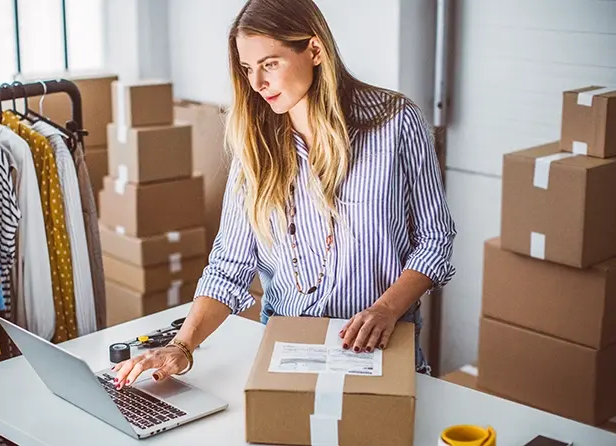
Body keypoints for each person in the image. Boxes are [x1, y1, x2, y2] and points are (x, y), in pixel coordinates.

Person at [112, 0, 456, 388]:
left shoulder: (395, 122)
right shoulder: (255, 146)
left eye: (270, 63)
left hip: (381, 349)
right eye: (247, 68)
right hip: (289, 352)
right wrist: (182, 347)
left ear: (314, 50)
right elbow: (229, 266)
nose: (257, 83)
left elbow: (435, 238)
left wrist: (385, 310)